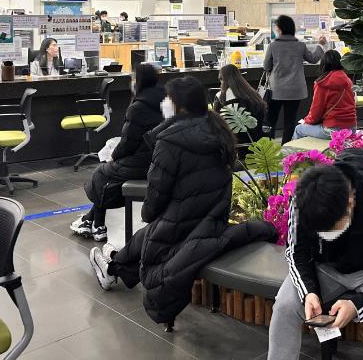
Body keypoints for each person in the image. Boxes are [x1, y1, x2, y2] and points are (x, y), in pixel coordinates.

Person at [88, 76, 275, 325]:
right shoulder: (219, 130)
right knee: (149, 235)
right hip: (212, 219)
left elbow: (154, 201)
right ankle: (112, 266)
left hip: (183, 225)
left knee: (154, 233)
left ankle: (111, 268)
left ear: (179, 106)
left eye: (168, 99)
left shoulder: (169, 142)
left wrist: (151, 213)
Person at [269, 150, 363, 360]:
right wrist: (309, 292)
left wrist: (357, 306)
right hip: (327, 267)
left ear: (350, 202)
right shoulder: (304, 199)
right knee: (285, 306)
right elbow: (296, 253)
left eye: (332, 228)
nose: (326, 234)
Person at [72, 63, 165, 242]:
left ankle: (98, 225)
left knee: (101, 173)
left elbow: (128, 143)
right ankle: (90, 220)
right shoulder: (166, 100)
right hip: (158, 159)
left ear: (138, 81)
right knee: (107, 171)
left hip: (140, 164)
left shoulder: (138, 107)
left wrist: (113, 155)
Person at [264, 15, 327, 143]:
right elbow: (313, 59)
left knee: (271, 120)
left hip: (276, 90)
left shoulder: (273, 46)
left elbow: (266, 66)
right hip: (295, 90)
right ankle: (286, 147)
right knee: (290, 121)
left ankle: (268, 148)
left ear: (280, 28)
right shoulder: (300, 45)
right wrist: (320, 45)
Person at [292, 50, 356, 140]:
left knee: (299, 129)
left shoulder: (322, 83)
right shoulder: (348, 80)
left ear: (323, 63)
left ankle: (296, 150)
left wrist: (306, 121)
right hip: (351, 128)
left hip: (333, 130)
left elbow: (316, 111)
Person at [213, 63, 267, 143]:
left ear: (222, 79)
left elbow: (217, 122)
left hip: (232, 142)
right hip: (256, 141)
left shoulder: (221, 97)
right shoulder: (253, 94)